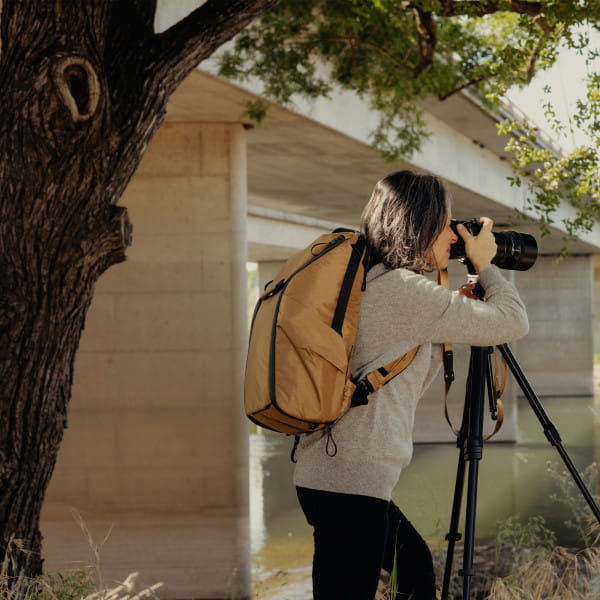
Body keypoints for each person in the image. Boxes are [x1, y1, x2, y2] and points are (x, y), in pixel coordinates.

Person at [292, 170, 529, 600]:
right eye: (445, 223)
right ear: (419, 225)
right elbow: (513, 321)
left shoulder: (374, 279)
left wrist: (458, 305)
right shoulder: (408, 292)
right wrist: (485, 265)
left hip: (329, 476)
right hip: (351, 484)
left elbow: (399, 359)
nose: (453, 236)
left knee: (416, 571)